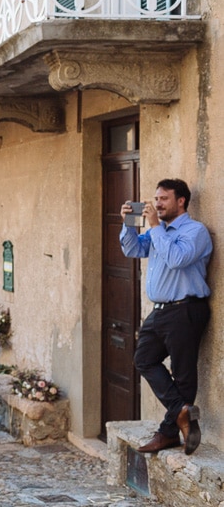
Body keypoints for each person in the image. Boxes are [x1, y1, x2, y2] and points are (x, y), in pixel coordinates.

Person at [121, 178, 212, 455]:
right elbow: (132, 249)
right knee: (143, 359)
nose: (157, 203)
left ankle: (168, 432)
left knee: (183, 374)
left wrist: (155, 228)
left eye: (163, 199)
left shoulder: (195, 231)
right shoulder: (158, 231)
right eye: (156, 198)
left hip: (186, 309)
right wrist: (127, 224)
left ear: (181, 201)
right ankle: (182, 412)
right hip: (160, 311)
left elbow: (176, 259)